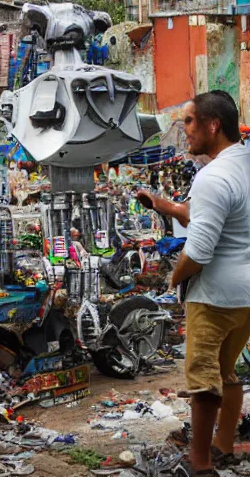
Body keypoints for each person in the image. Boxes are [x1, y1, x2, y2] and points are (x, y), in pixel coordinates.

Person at [140, 91, 249, 475]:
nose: (184, 130)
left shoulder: (211, 176)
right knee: (227, 371)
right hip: (245, 298)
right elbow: (218, 216)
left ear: (213, 125)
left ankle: (200, 465)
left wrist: (172, 277)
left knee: (204, 382)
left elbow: (199, 251)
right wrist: (167, 207)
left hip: (215, 297)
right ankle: (223, 447)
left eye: (188, 121)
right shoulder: (244, 163)